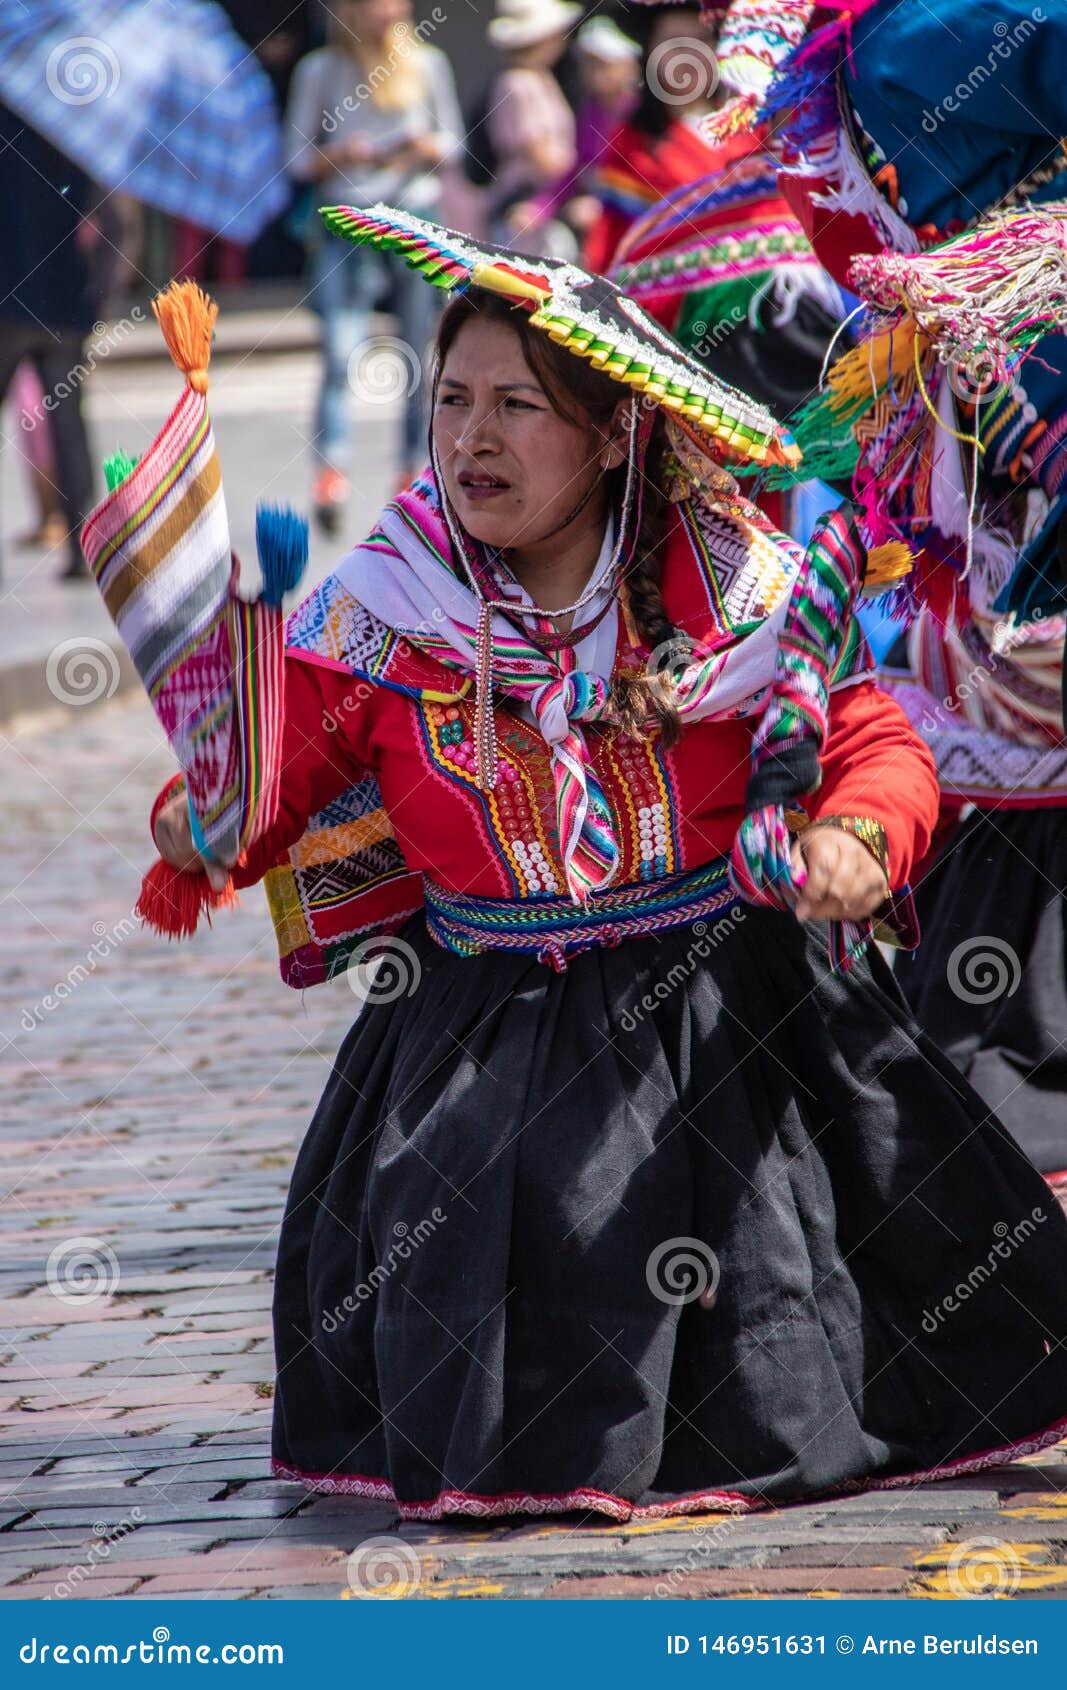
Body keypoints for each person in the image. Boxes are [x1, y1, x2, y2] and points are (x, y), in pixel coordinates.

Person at [137, 205, 1067, 1521]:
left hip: (718, 1021)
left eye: (517, 405)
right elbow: (270, 774)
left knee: (757, 1312)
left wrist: (856, 839)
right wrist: (204, 817)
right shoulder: (388, 602)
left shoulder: (738, 588)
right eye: (451, 399)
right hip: (477, 1037)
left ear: (610, 432)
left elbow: (871, 740)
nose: (470, 437)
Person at [284, 0, 463, 530]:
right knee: (340, 350)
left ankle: (411, 470)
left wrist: (418, 147)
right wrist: (346, 153)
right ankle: (331, 468)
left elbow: (454, 144)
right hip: (347, 220)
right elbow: (295, 156)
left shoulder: (426, 63)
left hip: (412, 219)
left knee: (418, 351)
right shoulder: (319, 70)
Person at [0, 103, 98, 583]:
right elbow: (103, 222)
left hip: (11, 299)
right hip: (65, 300)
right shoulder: (72, 129)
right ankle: (86, 548)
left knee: (68, 425)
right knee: (69, 425)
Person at [582, 3, 727, 276]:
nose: (688, 56)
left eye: (701, 41)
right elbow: (612, 243)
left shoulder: (753, 131)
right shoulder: (630, 143)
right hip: (665, 298)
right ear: (649, 51)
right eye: (673, 43)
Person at [483, 0, 583, 258]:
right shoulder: (517, 84)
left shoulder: (542, 79)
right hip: (525, 204)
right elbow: (540, 153)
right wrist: (582, 170)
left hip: (548, 202)